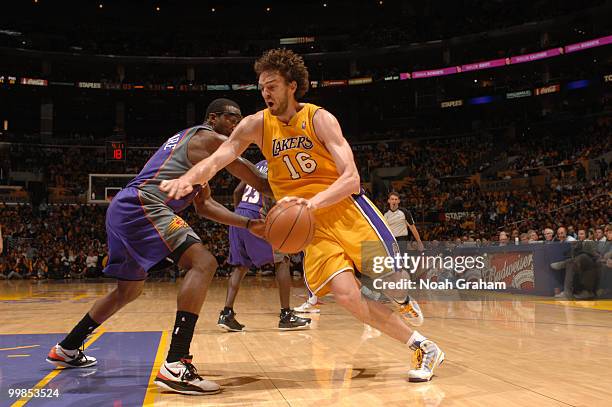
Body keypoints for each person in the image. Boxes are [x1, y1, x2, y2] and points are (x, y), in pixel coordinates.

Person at [161, 49, 443, 382]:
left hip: (346, 212)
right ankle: (424, 347)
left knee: (393, 284)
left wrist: (312, 203)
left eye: (273, 85)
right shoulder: (257, 125)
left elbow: (351, 178)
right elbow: (222, 155)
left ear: (292, 85)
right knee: (348, 296)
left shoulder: (319, 118)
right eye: (262, 86)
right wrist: (189, 177)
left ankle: (403, 297)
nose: (266, 93)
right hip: (312, 230)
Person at [46, 98, 270, 396]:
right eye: (233, 118)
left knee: (129, 290)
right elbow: (259, 180)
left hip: (125, 208)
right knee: (203, 263)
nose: (237, 125)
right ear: (213, 118)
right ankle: (176, 363)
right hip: (144, 204)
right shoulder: (210, 139)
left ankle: (67, 348)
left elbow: (204, 206)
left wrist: (247, 224)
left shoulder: (194, 149)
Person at [218, 160, 311, 331]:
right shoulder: (283, 164)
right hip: (258, 213)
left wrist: (240, 214)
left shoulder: (258, 164)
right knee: (282, 259)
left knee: (240, 266)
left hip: (238, 216)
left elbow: (237, 191)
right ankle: (286, 315)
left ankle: (227, 313)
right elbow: (279, 196)